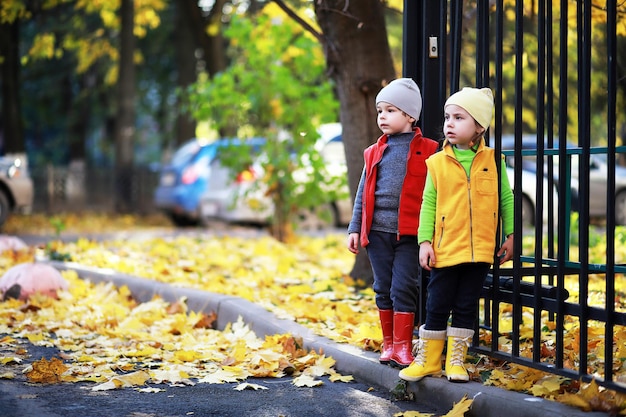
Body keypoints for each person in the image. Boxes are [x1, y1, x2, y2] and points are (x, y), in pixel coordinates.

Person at [399, 87, 514, 383]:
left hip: (479, 252)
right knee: (437, 303)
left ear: (479, 126)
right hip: (445, 249)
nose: (449, 123)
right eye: (447, 117)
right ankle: (429, 360)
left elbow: (506, 200)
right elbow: (428, 204)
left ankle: (456, 362)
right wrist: (425, 242)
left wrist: (511, 235)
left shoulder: (494, 160)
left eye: (459, 117)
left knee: (465, 305)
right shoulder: (436, 163)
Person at [347, 78, 439, 369]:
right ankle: (389, 345)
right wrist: (354, 228)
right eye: (379, 111)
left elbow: (437, 192)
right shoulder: (373, 151)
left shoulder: (430, 149)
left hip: (410, 235)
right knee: (383, 287)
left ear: (410, 116)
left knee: (405, 287)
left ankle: (403, 346)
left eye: (390, 110)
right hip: (377, 234)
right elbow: (363, 191)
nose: (382, 117)